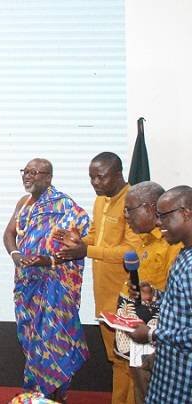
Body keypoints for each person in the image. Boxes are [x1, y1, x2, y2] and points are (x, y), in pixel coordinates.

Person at [56, 152, 141, 404]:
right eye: (91, 177)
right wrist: (77, 242)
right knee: (117, 360)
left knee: (130, 361)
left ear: (118, 174)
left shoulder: (133, 201)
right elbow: (95, 235)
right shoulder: (101, 200)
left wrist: (87, 250)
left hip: (126, 297)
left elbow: (132, 251)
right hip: (104, 296)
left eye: (100, 177)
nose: (95, 182)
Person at [3, 158, 90, 402]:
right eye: (25, 171)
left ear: (49, 177)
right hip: (27, 285)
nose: (28, 176)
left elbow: (78, 244)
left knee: (53, 340)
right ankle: (36, 393)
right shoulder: (23, 203)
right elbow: (8, 233)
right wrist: (16, 255)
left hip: (55, 286)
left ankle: (54, 396)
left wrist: (48, 260)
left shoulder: (64, 205)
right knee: (32, 340)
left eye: (34, 172)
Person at [129, 186, 192, 403]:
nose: (157, 222)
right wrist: (155, 295)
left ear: (186, 213)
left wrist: (152, 335)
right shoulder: (184, 254)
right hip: (168, 375)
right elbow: (183, 308)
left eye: (163, 216)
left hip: (183, 386)